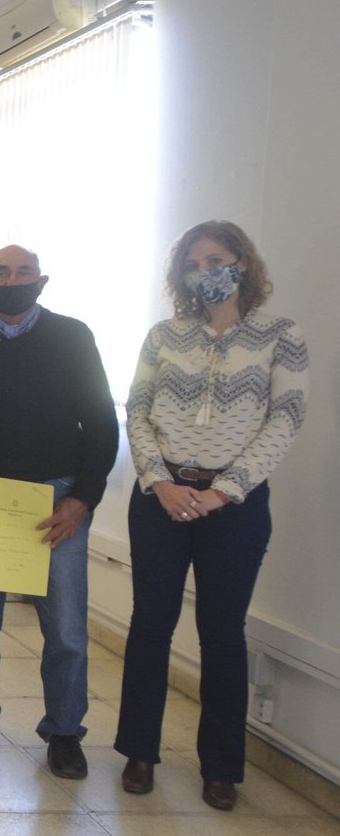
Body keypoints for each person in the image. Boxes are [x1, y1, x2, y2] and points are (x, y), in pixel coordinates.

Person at [115, 221, 307, 811]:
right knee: (151, 624)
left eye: (216, 260)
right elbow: (137, 411)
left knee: (222, 634)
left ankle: (221, 767)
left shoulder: (281, 335)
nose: (206, 272)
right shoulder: (164, 335)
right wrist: (159, 481)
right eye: (194, 264)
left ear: (242, 264)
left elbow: (286, 419)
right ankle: (139, 753)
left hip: (234, 508)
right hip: (161, 499)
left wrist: (225, 491)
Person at [0, 244, 118, 781]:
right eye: (1, 273)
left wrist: (82, 499)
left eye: (23, 272)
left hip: (56, 501)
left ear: (42, 280)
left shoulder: (73, 336)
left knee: (66, 630)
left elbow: (101, 421)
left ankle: (64, 732)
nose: (12, 280)